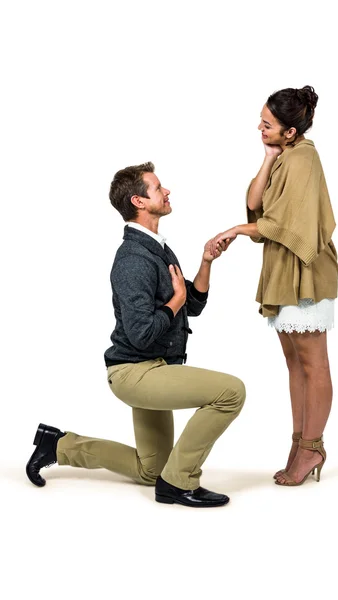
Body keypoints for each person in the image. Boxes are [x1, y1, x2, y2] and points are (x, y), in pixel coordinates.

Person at [26, 162, 246, 507]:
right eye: (159, 188)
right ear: (139, 202)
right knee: (231, 392)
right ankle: (179, 483)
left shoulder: (157, 248)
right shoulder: (133, 259)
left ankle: (58, 446)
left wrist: (206, 262)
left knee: (150, 469)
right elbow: (143, 333)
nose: (167, 191)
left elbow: (193, 305)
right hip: (135, 371)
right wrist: (175, 301)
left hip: (153, 367)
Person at [210, 86, 338, 486]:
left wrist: (237, 229)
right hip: (284, 272)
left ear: (291, 132)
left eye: (268, 125)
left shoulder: (304, 160)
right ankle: (300, 441)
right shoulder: (284, 156)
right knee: (294, 362)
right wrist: (267, 158)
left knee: (313, 363)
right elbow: (255, 203)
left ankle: (312, 446)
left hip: (306, 273)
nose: (259, 128)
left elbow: (282, 225)